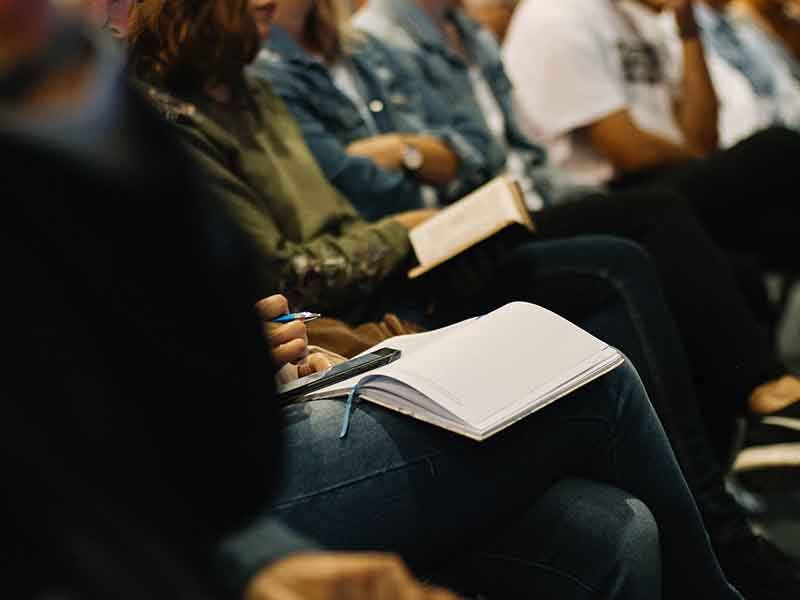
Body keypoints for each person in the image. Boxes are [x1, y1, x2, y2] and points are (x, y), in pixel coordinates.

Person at [126, 0, 751, 597]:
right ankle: (735, 556)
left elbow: (440, 166)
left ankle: (733, 510)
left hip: (302, 372)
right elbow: (291, 270)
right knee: (594, 365)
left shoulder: (248, 91)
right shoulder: (160, 118)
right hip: (216, 458)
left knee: (620, 528)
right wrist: (412, 221)